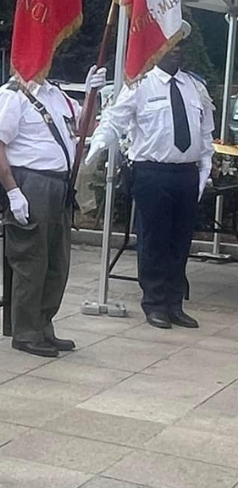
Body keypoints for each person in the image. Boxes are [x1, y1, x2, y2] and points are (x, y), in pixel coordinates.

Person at [86, 23, 215, 329]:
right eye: (171, 47)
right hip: (152, 172)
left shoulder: (195, 87)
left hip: (185, 173)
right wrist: (97, 148)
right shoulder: (139, 86)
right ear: (157, 51)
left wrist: (205, 166)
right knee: (154, 240)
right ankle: (154, 303)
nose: (177, 52)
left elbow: (205, 130)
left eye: (180, 46)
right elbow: (114, 122)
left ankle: (174, 303)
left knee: (180, 241)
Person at [0, 65, 107, 357]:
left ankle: (43, 325)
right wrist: (14, 191)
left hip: (59, 184)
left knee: (57, 261)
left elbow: (85, 127)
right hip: (32, 182)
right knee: (32, 261)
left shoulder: (58, 95)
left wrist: (93, 94)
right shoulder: (12, 96)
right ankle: (26, 332)